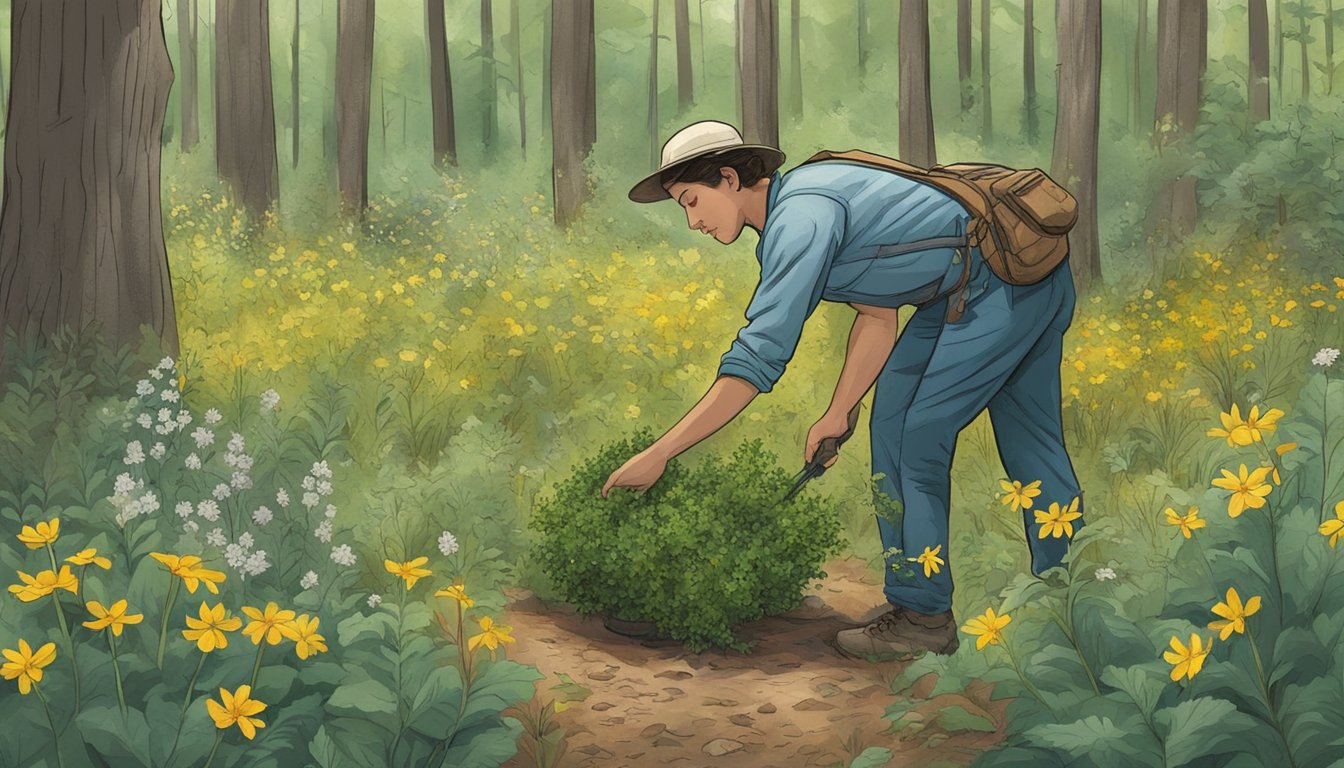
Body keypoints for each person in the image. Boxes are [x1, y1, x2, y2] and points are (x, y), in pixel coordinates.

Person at [601, 120, 1085, 661]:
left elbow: (758, 358)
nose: (692, 222)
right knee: (916, 430)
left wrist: (660, 454)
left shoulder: (800, 218)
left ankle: (930, 617)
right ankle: (1064, 598)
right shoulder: (798, 211)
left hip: (997, 284)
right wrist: (838, 411)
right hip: (979, 284)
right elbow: (877, 315)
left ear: (731, 179)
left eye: (693, 201)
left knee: (920, 438)